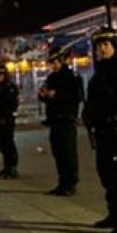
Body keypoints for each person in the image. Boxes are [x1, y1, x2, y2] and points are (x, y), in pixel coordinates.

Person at [83, 25, 117, 233]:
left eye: (105, 45)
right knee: (105, 173)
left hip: (115, 129)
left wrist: (107, 103)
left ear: (114, 46)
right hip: (101, 130)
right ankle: (113, 214)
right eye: (99, 46)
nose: (102, 49)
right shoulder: (100, 71)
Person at [38, 45, 83, 196]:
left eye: (56, 61)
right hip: (54, 120)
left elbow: (76, 97)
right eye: (52, 62)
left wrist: (56, 94)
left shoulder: (71, 76)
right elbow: (44, 95)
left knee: (68, 153)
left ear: (62, 60)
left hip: (66, 120)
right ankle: (62, 182)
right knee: (58, 153)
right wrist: (43, 94)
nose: (54, 65)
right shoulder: (51, 77)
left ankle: (70, 183)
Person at [0, 65, 19, 178]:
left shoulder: (9, 87)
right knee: (1, 142)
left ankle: (12, 168)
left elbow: (11, 105)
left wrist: (5, 115)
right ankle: (6, 167)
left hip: (7, 119)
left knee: (8, 143)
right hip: (0, 119)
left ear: (3, 75)